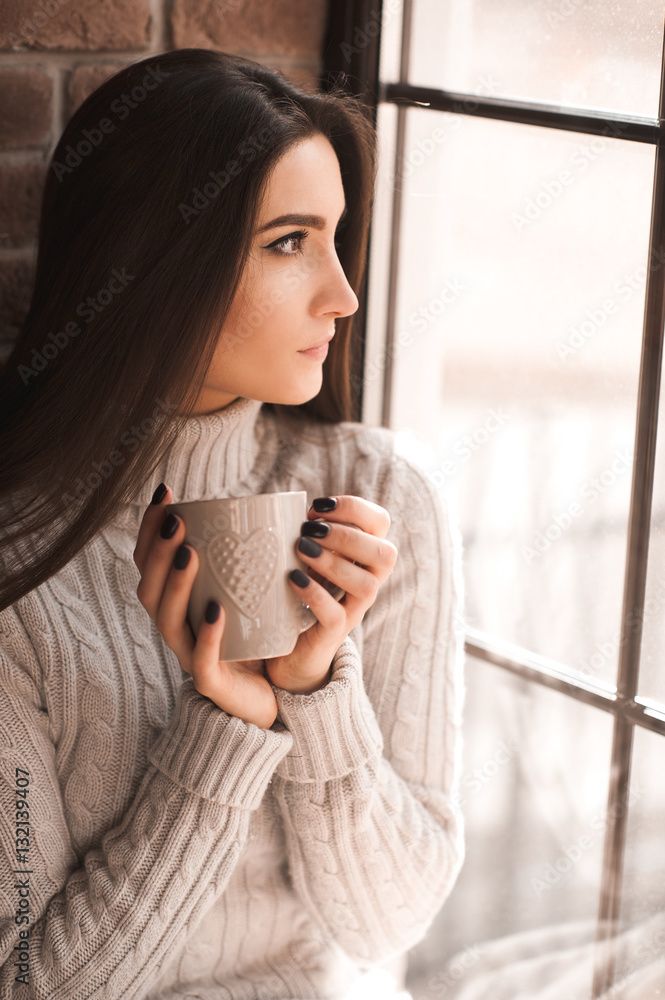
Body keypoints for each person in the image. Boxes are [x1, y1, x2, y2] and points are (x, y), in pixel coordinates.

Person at [0, 48, 466, 999]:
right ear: (149, 264)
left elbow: (386, 924)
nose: (343, 295)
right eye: (289, 242)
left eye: (336, 239)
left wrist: (316, 691)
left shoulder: (381, 498)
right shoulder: (22, 571)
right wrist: (224, 726)